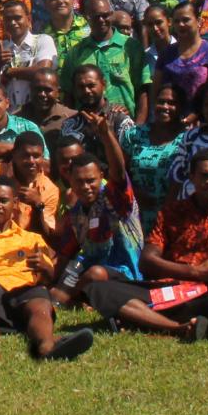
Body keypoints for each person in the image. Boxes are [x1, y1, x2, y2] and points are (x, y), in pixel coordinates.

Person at [84, 149, 208, 340]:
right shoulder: (171, 213)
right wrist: (195, 272)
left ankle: (139, 319)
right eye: (204, 176)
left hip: (206, 293)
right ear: (191, 178)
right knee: (100, 289)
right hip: (167, 289)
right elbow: (147, 261)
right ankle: (176, 328)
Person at [0, 174, 94, 362]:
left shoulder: (32, 238)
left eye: (3, 201)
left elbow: (48, 278)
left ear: (14, 204)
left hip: (23, 288)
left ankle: (47, 346)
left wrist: (45, 267)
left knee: (40, 304)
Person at [50, 111, 144, 304]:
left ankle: (71, 299)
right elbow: (66, 252)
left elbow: (118, 169)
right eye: (80, 181)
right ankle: (62, 299)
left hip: (123, 273)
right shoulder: (76, 212)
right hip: (86, 267)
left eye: (91, 180)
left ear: (101, 175)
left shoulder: (114, 196)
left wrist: (106, 135)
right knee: (63, 281)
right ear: (70, 179)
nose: (86, 186)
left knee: (95, 274)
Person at [0, 130, 59, 236]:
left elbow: (45, 234)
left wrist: (38, 206)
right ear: (15, 155)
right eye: (25, 156)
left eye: (36, 156)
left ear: (42, 157)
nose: (31, 161)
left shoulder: (50, 189)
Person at [67, 0, 150, 121]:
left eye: (105, 15)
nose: (101, 20)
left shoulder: (131, 47)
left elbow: (143, 90)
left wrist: (138, 127)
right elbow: (68, 92)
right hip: (87, 126)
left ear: (112, 15)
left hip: (126, 124)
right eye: (95, 16)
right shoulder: (76, 52)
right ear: (86, 17)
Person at [120, 82, 190, 231]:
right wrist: (134, 193)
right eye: (161, 101)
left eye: (172, 103)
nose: (165, 106)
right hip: (134, 212)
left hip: (173, 217)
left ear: (181, 108)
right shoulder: (135, 134)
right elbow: (119, 171)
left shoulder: (188, 140)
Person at [56, 65, 135, 171]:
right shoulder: (69, 125)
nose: (87, 91)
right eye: (81, 87)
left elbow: (130, 163)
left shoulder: (121, 120)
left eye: (91, 85)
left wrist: (107, 136)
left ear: (104, 85)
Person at [0, 0, 56, 111]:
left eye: (17, 18)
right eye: (8, 19)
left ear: (28, 19)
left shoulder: (43, 40)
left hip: (37, 111)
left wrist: (9, 72)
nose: (12, 22)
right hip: (8, 115)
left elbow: (42, 72)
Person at [154, 3, 208, 107]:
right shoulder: (166, 54)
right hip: (170, 116)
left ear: (199, 21)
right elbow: (156, 91)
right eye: (177, 21)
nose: (181, 25)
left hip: (202, 116)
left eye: (186, 20)